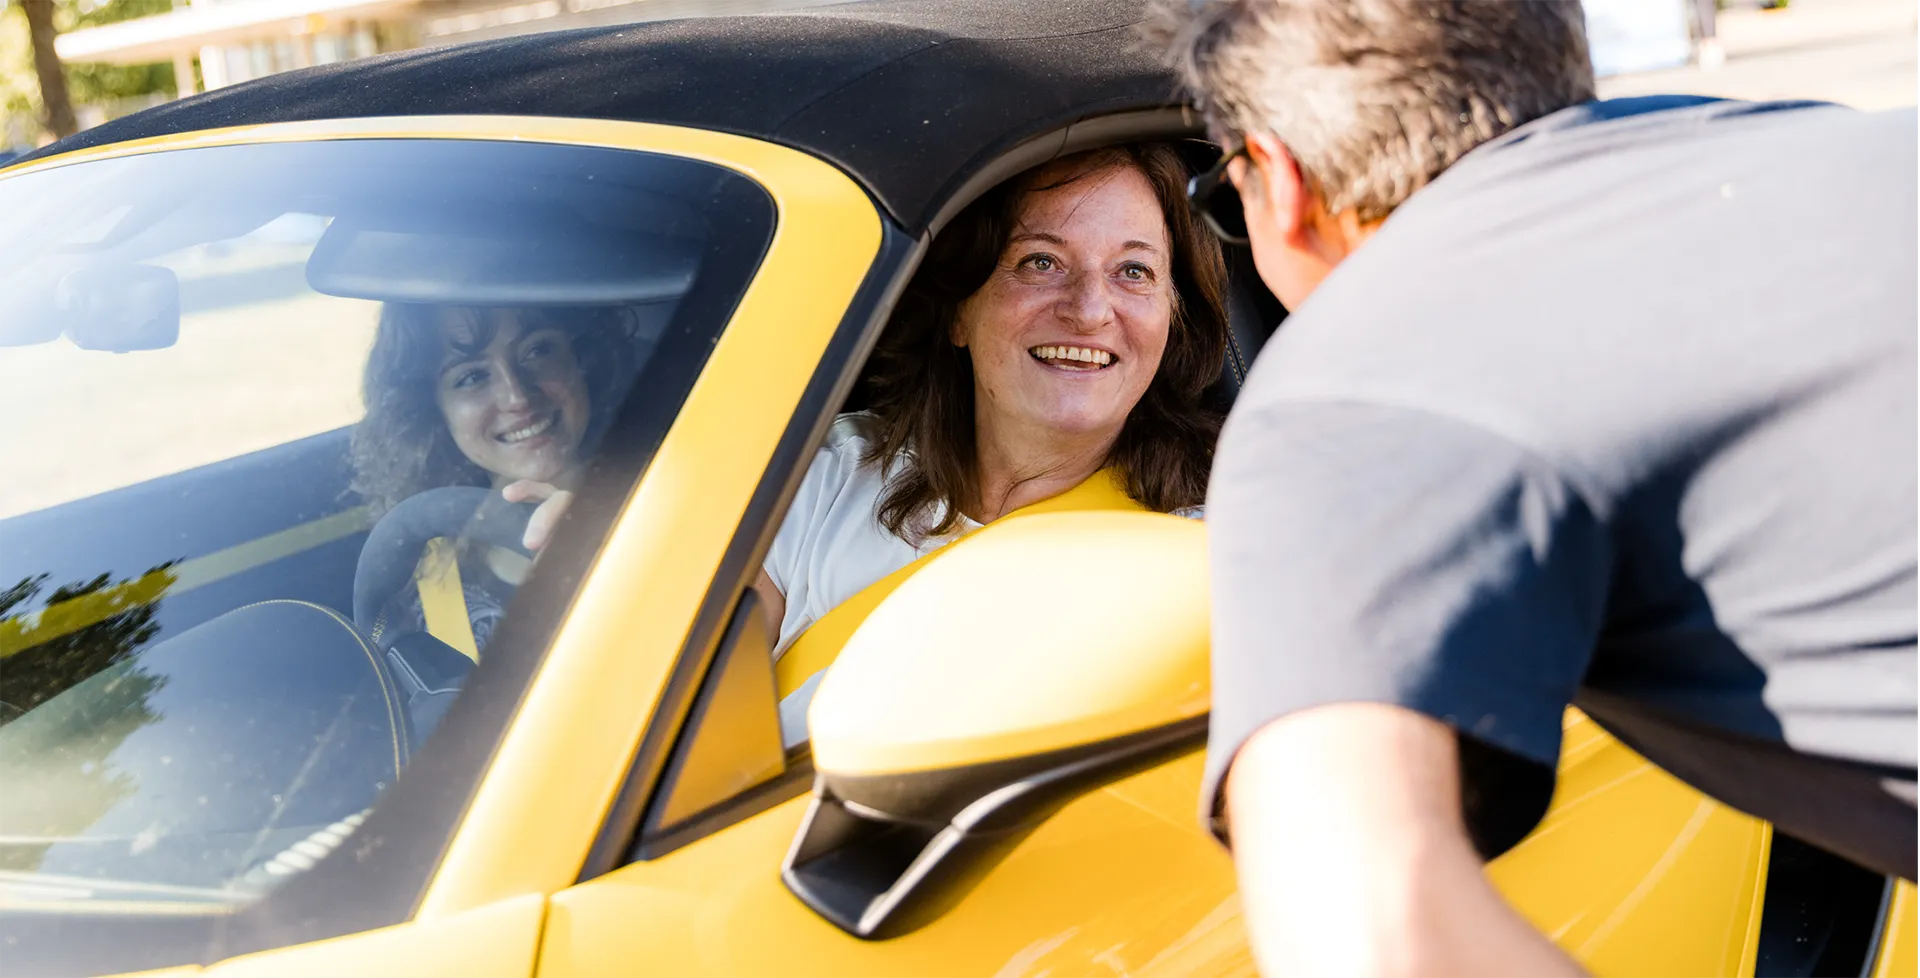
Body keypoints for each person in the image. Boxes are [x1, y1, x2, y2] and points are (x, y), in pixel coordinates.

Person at [1143, 0, 1918, 975]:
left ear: (1280, 178)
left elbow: (1372, 933)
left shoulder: (1360, 373)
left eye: (1228, 194)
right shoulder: (1835, 147)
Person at [760, 143, 1230, 657]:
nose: (1090, 310)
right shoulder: (828, 477)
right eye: (1041, 261)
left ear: (1172, 318)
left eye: (1134, 271)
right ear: (961, 310)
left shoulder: (1214, 553)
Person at [349, 303, 636, 651]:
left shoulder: (681, 510)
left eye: (538, 350)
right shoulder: (425, 569)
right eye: (472, 377)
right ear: (433, 411)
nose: (517, 397)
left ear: (581, 357)